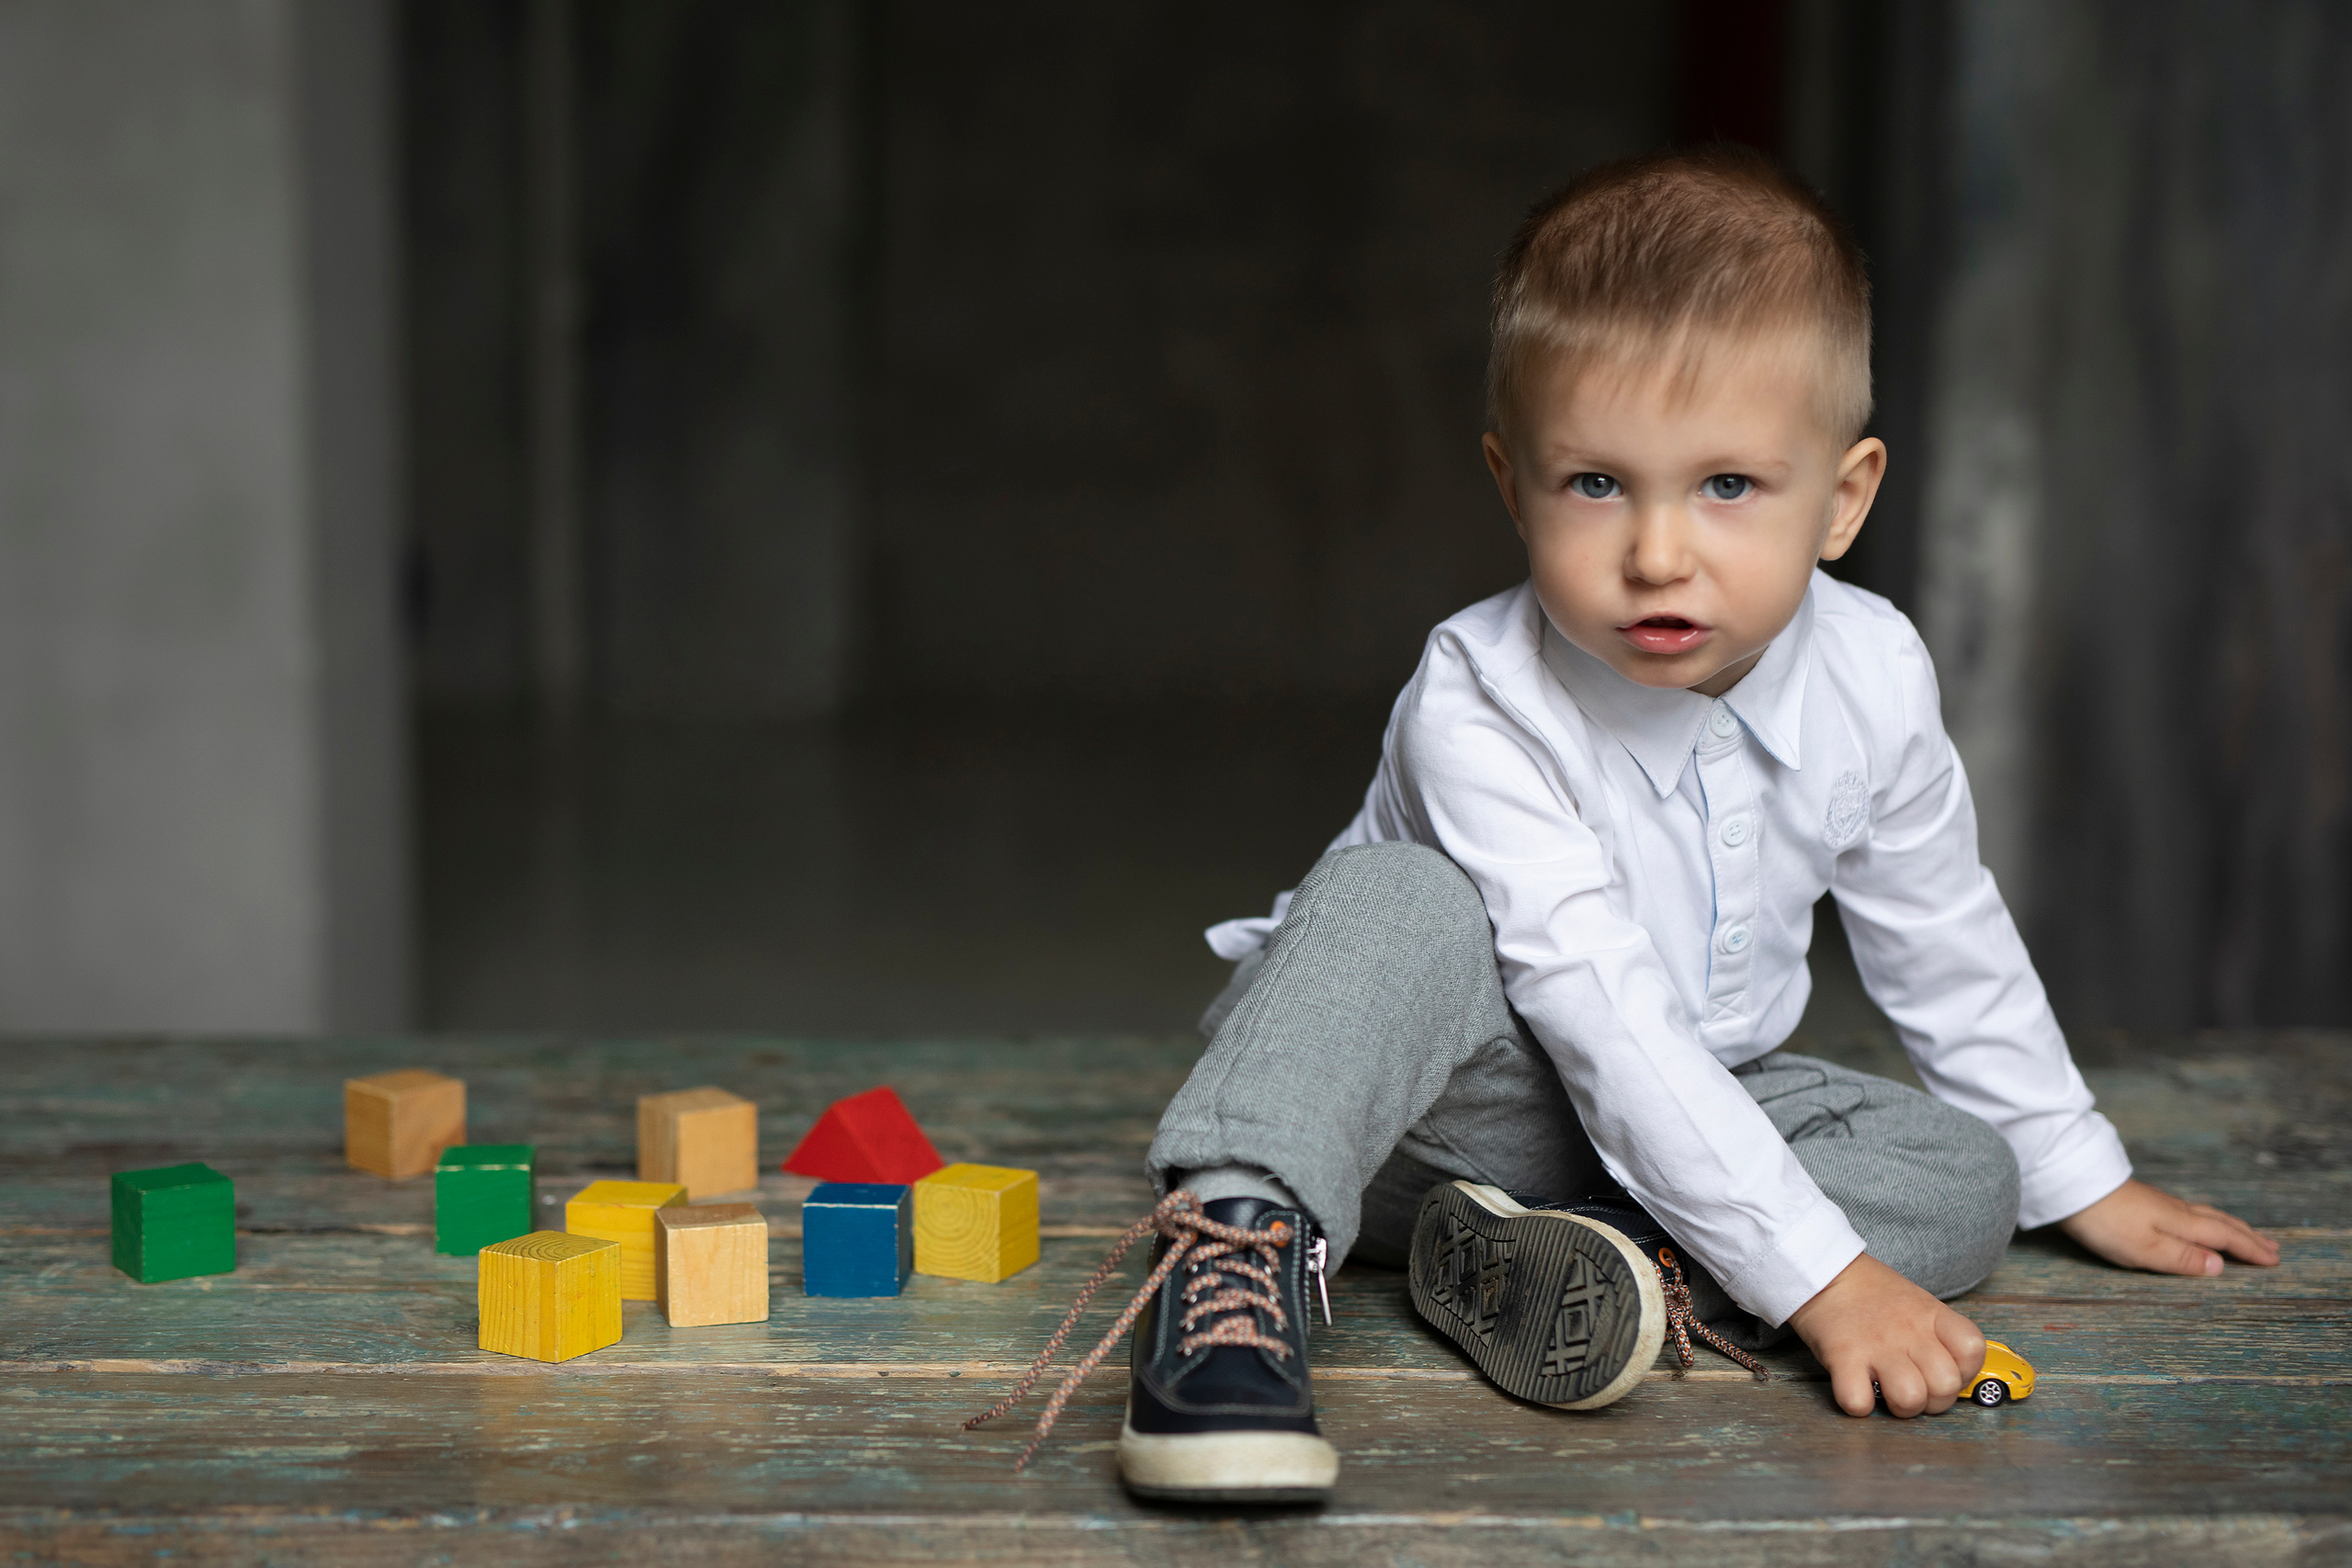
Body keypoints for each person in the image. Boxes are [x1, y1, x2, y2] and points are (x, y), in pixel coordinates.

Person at [966, 144, 2278, 1504]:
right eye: (1597, 484)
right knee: (1396, 896)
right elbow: (1595, 1009)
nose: (1659, 552)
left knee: (1965, 1178)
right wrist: (1820, 1281)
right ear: (1510, 481)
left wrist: (2078, 1174)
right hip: (1421, 1110)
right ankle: (1245, 1240)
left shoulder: (1875, 674)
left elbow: (1942, 935)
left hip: (1660, 1119)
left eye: (1728, 488)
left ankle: (1588, 1272)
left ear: (1843, 499)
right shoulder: (1477, 698)